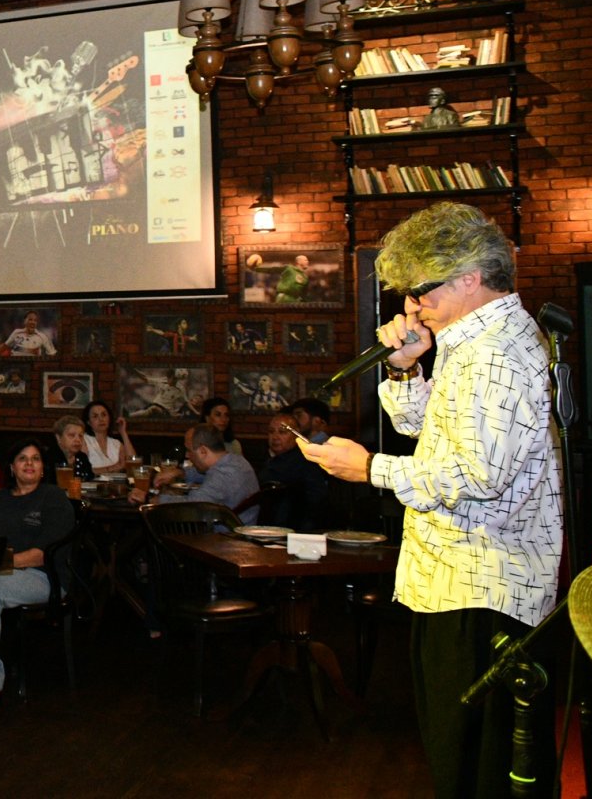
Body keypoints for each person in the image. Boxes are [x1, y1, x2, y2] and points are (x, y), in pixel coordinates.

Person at [301, 202, 561, 799]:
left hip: (480, 585)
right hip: (461, 579)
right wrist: (402, 370)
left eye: (420, 291)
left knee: (475, 767)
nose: (411, 307)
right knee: (464, 759)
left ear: (469, 276)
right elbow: (432, 433)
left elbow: (476, 475)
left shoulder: (491, 353)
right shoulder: (474, 343)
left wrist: (369, 469)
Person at [0, 440, 75, 708]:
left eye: (35, 459)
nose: (29, 464)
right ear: (11, 467)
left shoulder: (53, 497)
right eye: (22, 458)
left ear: (43, 468)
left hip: (43, 576)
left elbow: (43, 554)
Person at [142, 424, 259, 523]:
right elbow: (205, 474)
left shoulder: (222, 474)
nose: (187, 455)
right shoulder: (236, 461)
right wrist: (180, 473)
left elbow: (193, 506)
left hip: (227, 541)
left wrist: (152, 499)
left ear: (203, 451)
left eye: (189, 450)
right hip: (241, 529)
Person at [258, 413, 329, 532]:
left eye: (282, 432)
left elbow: (316, 502)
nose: (275, 437)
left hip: (294, 532)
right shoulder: (270, 459)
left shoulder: (304, 462)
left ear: (296, 435)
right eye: (271, 432)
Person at [80, 399, 135, 474]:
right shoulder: (83, 440)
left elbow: (133, 464)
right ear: (88, 422)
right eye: (95, 416)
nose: (101, 419)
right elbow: (83, 471)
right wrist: (114, 467)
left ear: (109, 418)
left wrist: (123, 433)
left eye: (104, 415)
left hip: (116, 484)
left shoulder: (116, 443)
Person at [48, 414, 93, 480]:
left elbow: (90, 479)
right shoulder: (49, 458)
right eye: (72, 435)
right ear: (58, 438)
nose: (77, 440)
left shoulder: (82, 457)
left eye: (80, 436)